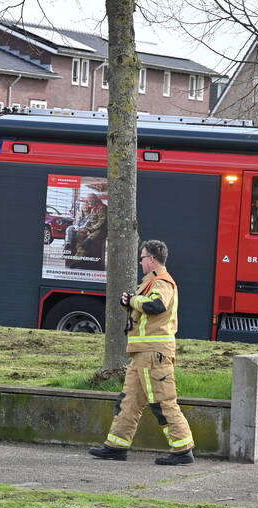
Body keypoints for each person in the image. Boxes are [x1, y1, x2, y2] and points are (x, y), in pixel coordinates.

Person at [89, 239, 195, 465]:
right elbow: (145, 310)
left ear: (152, 259)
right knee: (128, 401)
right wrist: (130, 302)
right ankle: (116, 446)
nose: (140, 262)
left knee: (163, 402)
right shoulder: (150, 282)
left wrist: (134, 300)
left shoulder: (162, 282)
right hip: (141, 354)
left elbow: (157, 306)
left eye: (142, 258)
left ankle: (183, 450)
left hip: (154, 354)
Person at [66, 193, 107, 269]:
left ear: (94, 200)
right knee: (78, 235)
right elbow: (90, 221)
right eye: (87, 201)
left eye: (89, 201)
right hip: (92, 228)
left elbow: (101, 223)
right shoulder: (93, 208)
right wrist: (83, 229)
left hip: (99, 231)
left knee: (86, 243)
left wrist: (90, 229)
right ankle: (81, 261)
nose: (88, 203)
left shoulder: (101, 208)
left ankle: (76, 261)